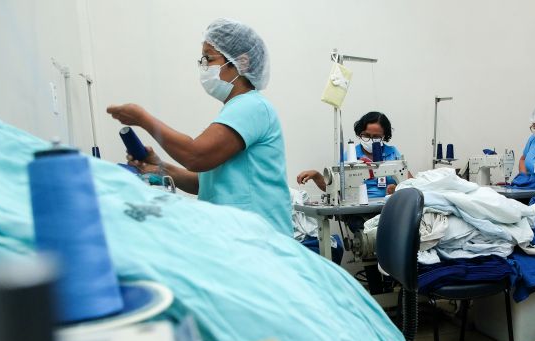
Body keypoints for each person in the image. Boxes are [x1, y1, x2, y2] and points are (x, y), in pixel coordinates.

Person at [106, 18, 293, 236]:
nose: (204, 66)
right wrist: (161, 168)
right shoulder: (235, 110)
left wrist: (143, 118)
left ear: (241, 62)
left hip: (260, 241)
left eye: (209, 58)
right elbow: (205, 184)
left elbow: (196, 156)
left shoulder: (252, 106)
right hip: (240, 239)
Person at [296, 111, 410, 198]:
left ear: (384, 136)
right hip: (358, 211)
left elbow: (412, 184)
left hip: (389, 207)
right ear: (359, 133)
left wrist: (398, 189)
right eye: (366, 135)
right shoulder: (351, 156)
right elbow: (333, 188)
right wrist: (316, 175)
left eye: (376, 137)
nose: (370, 139)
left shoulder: (393, 153)